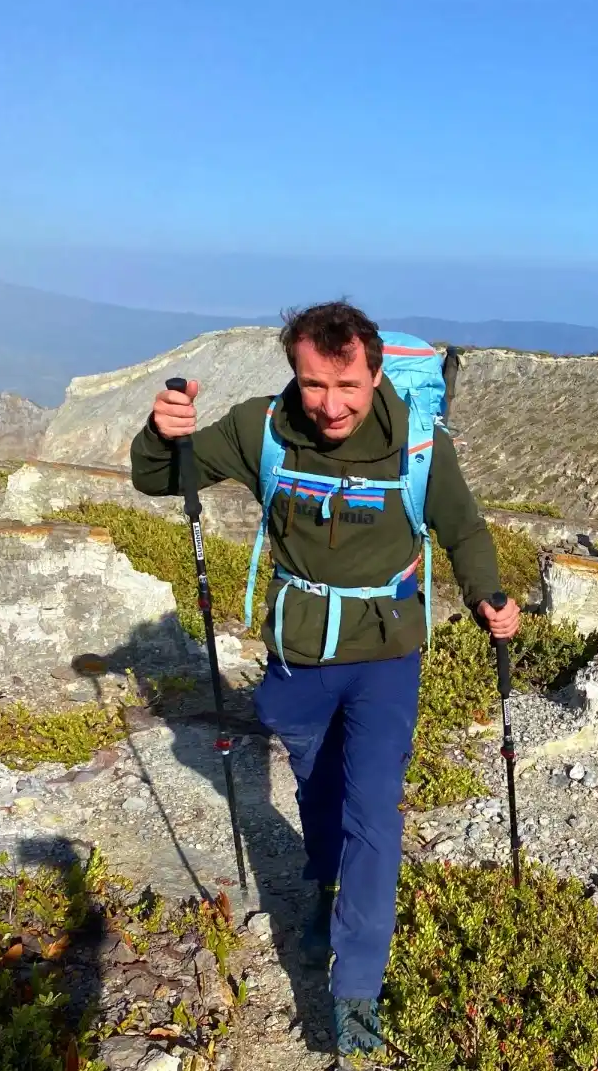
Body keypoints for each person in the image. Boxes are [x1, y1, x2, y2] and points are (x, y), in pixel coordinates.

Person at [130, 301, 519, 1061]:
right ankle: (324, 884)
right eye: (313, 384)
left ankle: (355, 992)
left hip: (385, 653)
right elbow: (159, 477)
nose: (331, 404)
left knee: (373, 809)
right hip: (299, 654)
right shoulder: (263, 428)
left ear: (375, 372)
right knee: (317, 788)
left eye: (346, 384)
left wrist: (486, 594)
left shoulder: (416, 442)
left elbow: (463, 527)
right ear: (294, 375)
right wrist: (162, 432)